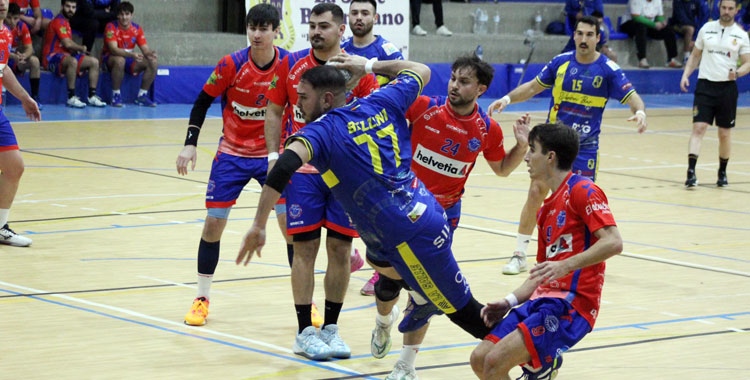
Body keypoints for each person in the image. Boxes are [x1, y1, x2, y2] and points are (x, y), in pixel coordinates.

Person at [238, 57, 496, 362]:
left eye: (303, 98)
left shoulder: (321, 133)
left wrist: (258, 224)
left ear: (326, 99)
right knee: (384, 273)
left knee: (466, 312)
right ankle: (418, 294)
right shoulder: (380, 100)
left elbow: (283, 168)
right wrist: (370, 66)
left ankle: (530, 353)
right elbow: (422, 71)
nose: (298, 106)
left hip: (410, 232)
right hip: (408, 221)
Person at [369, 55, 530, 380]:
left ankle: (406, 366)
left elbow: (501, 169)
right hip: (400, 207)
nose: (455, 85)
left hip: (441, 217)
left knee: (426, 291)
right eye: (454, 78)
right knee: (389, 285)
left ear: (481, 88)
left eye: (464, 81)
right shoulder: (424, 106)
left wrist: (522, 147)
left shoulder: (486, 128)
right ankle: (384, 321)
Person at [262, 3, 379, 361]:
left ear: (341, 30)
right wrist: (272, 158)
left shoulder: (358, 70)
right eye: (312, 25)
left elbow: (371, 116)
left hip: (345, 175)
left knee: (341, 251)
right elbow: (274, 109)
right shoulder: (290, 63)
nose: (316, 31)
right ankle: (303, 331)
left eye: (324, 26)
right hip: (304, 175)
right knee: (305, 251)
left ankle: (330, 328)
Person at [488, 16, 646, 276]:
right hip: (552, 145)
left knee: (578, 200)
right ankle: (519, 254)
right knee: (536, 191)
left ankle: (577, 258)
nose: (584, 39)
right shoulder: (561, 63)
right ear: (574, 36)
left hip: (585, 148)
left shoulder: (608, 69)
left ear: (598, 38)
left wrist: (640, 112)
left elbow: (633, 97)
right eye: (580, 34)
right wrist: (507, 99)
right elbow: (532, 87)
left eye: (589, 35)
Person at [469, 122, 624, 380]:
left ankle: (543, 366)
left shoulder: (583, 190)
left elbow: (614, 242)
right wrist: (508, 302)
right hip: (541, 299)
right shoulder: (545, 210)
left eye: (533, 150)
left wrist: (565, 265)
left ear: (550, 157)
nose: (527, 157)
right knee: (480, 359)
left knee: (495, 362)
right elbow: (541, 273)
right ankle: (541, 368)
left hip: (571, 304)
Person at [175, 4, 288, 327]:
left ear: (275, 31)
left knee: (291, 228)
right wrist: (190, 143)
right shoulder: (231, 64)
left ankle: (305, 303)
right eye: (252, 27)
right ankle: (201, 297)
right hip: (232, 154)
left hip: (272, 156)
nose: (256, 33)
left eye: (264, 28)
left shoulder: (288, 65)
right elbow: (202, 101)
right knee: (213, 224)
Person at [340, 0, 405, 296]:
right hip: (345, 139)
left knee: (378, 209)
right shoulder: (340, 50)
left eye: (365, 13)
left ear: (375, 17)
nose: (359, 17)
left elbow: (408, 82)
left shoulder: (387, 53)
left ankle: (384, 272)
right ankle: (352, 254)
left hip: (377, 144)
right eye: (354, 13)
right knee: (340, 198)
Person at [680, 0, 750, 188]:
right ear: (718, 8)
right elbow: (695, 55)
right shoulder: (706, 29)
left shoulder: (741, 35)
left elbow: (747, 63)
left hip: (727, 88)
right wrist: (686, 75)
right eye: (723, 8)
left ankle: (722, 172)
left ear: (736, 10)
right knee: (699, 128)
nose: (726, 11)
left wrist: (737, 73)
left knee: (724, 133)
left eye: (730, 8)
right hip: (705, 86)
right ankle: (691, 172)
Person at [0, 0, 42, 247]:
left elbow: (3, 71)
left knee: (14, 167)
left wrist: (25, 98)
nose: (2, 3)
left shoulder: (5, 33)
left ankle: (0, 226)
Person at [42, 0, 106, 108]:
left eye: (73, 7)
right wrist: (82, 48)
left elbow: (67, 46)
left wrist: (77, 51)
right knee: (72, 61)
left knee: (94, 62)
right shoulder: (58, 21)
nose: (70, 10)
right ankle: (71, 97)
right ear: (62, 6)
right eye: (68, 6)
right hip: (51, 58)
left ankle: (92, 96)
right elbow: (67, 44)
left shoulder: (66, 22)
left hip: (64, 56)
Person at [101, 1, 157, 107]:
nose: (124, 17)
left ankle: (142, 96)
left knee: (152, 61)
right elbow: (113, 49)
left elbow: (145, 49)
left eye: (127, 14)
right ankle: (115, 96)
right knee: (120, 60)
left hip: (129, 60)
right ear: (117, 15)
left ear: (131, 15)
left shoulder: (137, 28)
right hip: (110, 59)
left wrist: (149, 53)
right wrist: (131, 55)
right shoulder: (111, 27)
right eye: (121, 14)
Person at [620, 0, 682, 68]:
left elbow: (659, 16)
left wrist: (661, 22)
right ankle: (642, 59)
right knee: (641, 27)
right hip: (630, 24)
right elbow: (636, 17)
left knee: (668, 30)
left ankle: (671, 59)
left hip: (648, 25)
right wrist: (653, 24)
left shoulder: (658, 1)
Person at [5, 2, 42, 107]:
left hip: (15, 61)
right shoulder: (1, 27)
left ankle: (35, 98)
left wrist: (23, 56)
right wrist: (13, 56)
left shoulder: (22, 27)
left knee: (34, 61)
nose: (12, 22)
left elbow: (29, 48)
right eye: (9, 18)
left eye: (15, 18)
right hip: (3, 60)